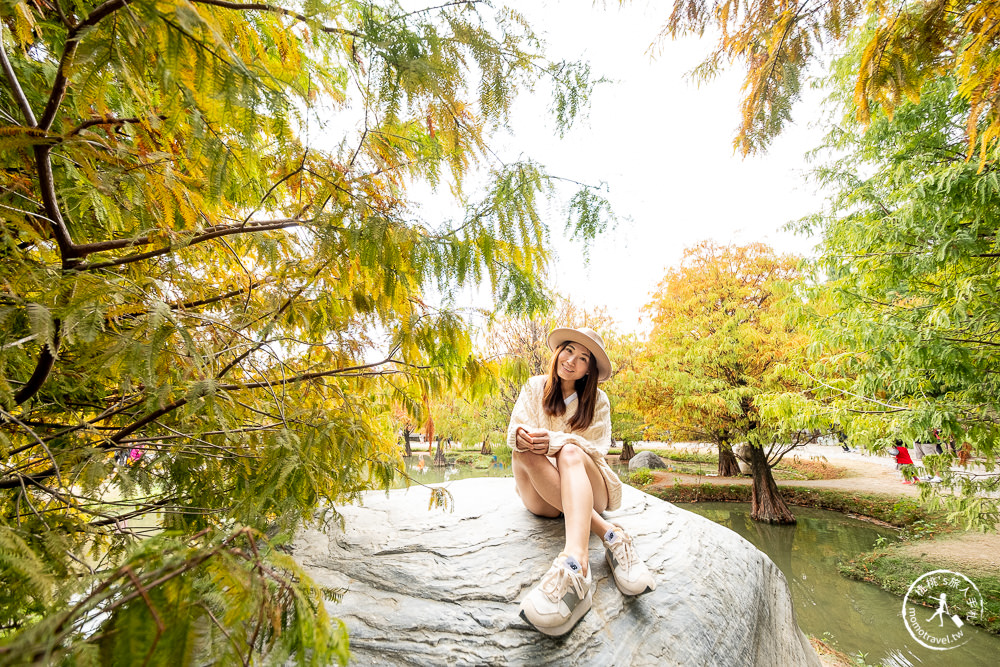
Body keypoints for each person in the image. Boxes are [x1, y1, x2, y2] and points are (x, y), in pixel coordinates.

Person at [507, 327, 656, 636]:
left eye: (583, 357)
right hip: (543, 495)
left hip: (590, 491)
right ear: (558, 352)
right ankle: (609, 533)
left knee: (571, 451)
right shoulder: (535, 387)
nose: (571, 360)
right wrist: (522, 436)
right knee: (522, 452)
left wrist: (553, 441)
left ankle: (575, 563)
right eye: (568, 350)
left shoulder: (598, 401)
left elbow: (597, 450)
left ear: (590, 369)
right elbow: (513, 430)